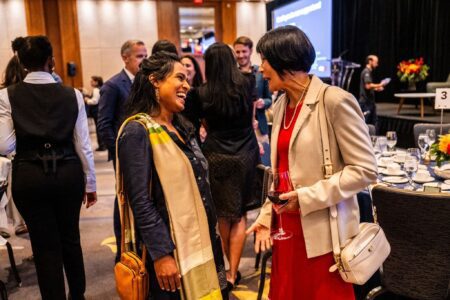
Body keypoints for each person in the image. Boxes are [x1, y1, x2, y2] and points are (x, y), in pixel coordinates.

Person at [246, 26, 378, 299]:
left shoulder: (335, 101)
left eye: (264, 61)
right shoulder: (281, 104)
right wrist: (266, 214)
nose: (261, 69)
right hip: (286, 232)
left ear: (284, 60)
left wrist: (305, 198)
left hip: (323, 236)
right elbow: (281, 172)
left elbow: (365, 170)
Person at [117, 51, 227, 299]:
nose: (187, 85)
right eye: (179, 78)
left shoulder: (182, 126)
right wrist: (162, 254)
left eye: (187, 79)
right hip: (171, 249)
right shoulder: (137, 131)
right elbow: (140, 201)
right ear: (155, 80)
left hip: (204, 241)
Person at [0, 35, 97, 299]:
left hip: (30, 175)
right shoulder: (73, 94)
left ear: (21, 64)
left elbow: (5, 146)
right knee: (70, 238)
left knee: (44, 246)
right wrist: (90, 184)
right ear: (51, 61)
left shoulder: (6, 96)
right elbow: (83, 144)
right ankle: (78, 294)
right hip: (67, 172)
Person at [193, 42, 260, 289]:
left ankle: (223, 273)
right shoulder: (247, 82)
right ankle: (233, 272)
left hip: (216, 154)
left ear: (208, 64)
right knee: (240, 213)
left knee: (222, 214)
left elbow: (201, 126)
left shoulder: (201, 92)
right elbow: (251, 118)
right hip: (245, 153)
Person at [97, 39, 147, 261]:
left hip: (145, 153)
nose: (144, 61)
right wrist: (118, 151)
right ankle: (123, 252)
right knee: (124, 201)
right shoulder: (113, 86)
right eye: (139, 56)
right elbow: (104, 125)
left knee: (143, 201)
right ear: (125, 58)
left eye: (145, 56)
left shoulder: (145, 83)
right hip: (124, 155)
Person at [234, 36, 272, 166]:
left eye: (244, 51)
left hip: (260, 128)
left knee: (265, 163)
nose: (241, 55)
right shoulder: (232, 75)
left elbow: (269, 99)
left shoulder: (261, 72)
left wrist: (263, 103)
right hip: (241, 129)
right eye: (237, 52)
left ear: (250, 51)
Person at [180, 55, 204, 142]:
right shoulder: (176, 94)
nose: (184, 68)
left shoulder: (202, 92)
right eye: (182, 65)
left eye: (188, 65)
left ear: (195, 70)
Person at [359, 55, 386, 126]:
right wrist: (380, 84)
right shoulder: (366, 72)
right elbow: (367, 86)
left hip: (370, 102)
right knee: (365, 122)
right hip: (366, 102)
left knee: (374, 122)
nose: (377, 65)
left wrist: (376, 88)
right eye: (376, 62)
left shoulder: (368, 72)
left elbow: (369, 87)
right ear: (370, 61)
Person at [83, 76, 105, 151]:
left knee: (98, 128)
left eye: (92, 81)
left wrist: (87, 100)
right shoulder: (101, 88)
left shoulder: (96, 90)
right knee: (100, 128)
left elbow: (95, 101)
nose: (90, 82)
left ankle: (102, 145)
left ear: (96, 82)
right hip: (100, 111)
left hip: (97, 111)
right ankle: (102, 145)